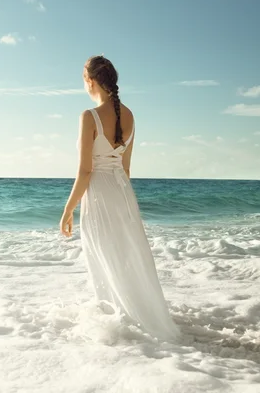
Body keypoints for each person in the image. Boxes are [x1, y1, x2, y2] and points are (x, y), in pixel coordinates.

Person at [60, 55, 180, 342]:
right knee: (126, 254)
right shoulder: (130, 115)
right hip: (123, 192)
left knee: (103, 255)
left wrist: (68, 210)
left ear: (90, 81)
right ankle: (138, 314)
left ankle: (115, 319)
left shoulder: (88, 116)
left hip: (100, 192)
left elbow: (86, 170)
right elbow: (125, 168)